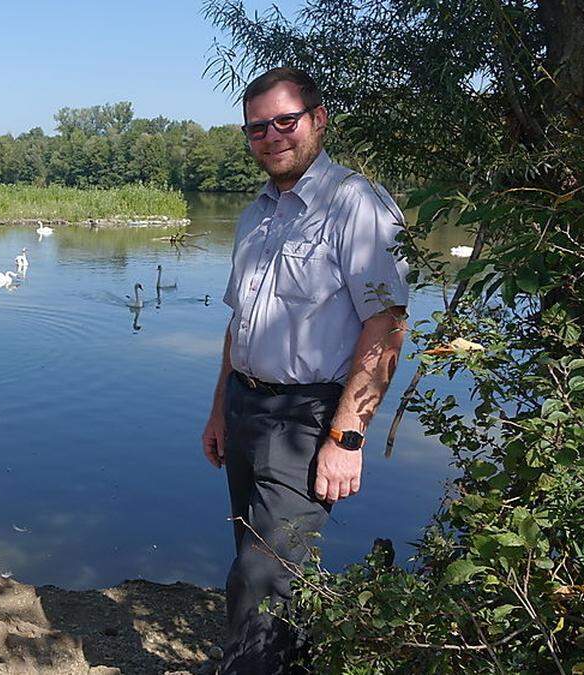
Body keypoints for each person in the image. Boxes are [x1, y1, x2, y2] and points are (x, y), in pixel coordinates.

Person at [200, 67, 408, 673]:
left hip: (309, 415)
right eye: (257, 127)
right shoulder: (254, 216)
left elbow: (387, 322)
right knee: (258, 556)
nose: (271, 135)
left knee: (264, 570)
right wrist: (219, 410)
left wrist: (347, 435)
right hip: (245, 406)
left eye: (285, 121)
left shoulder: (354, 204)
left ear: (318, 119)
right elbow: (239, 326)